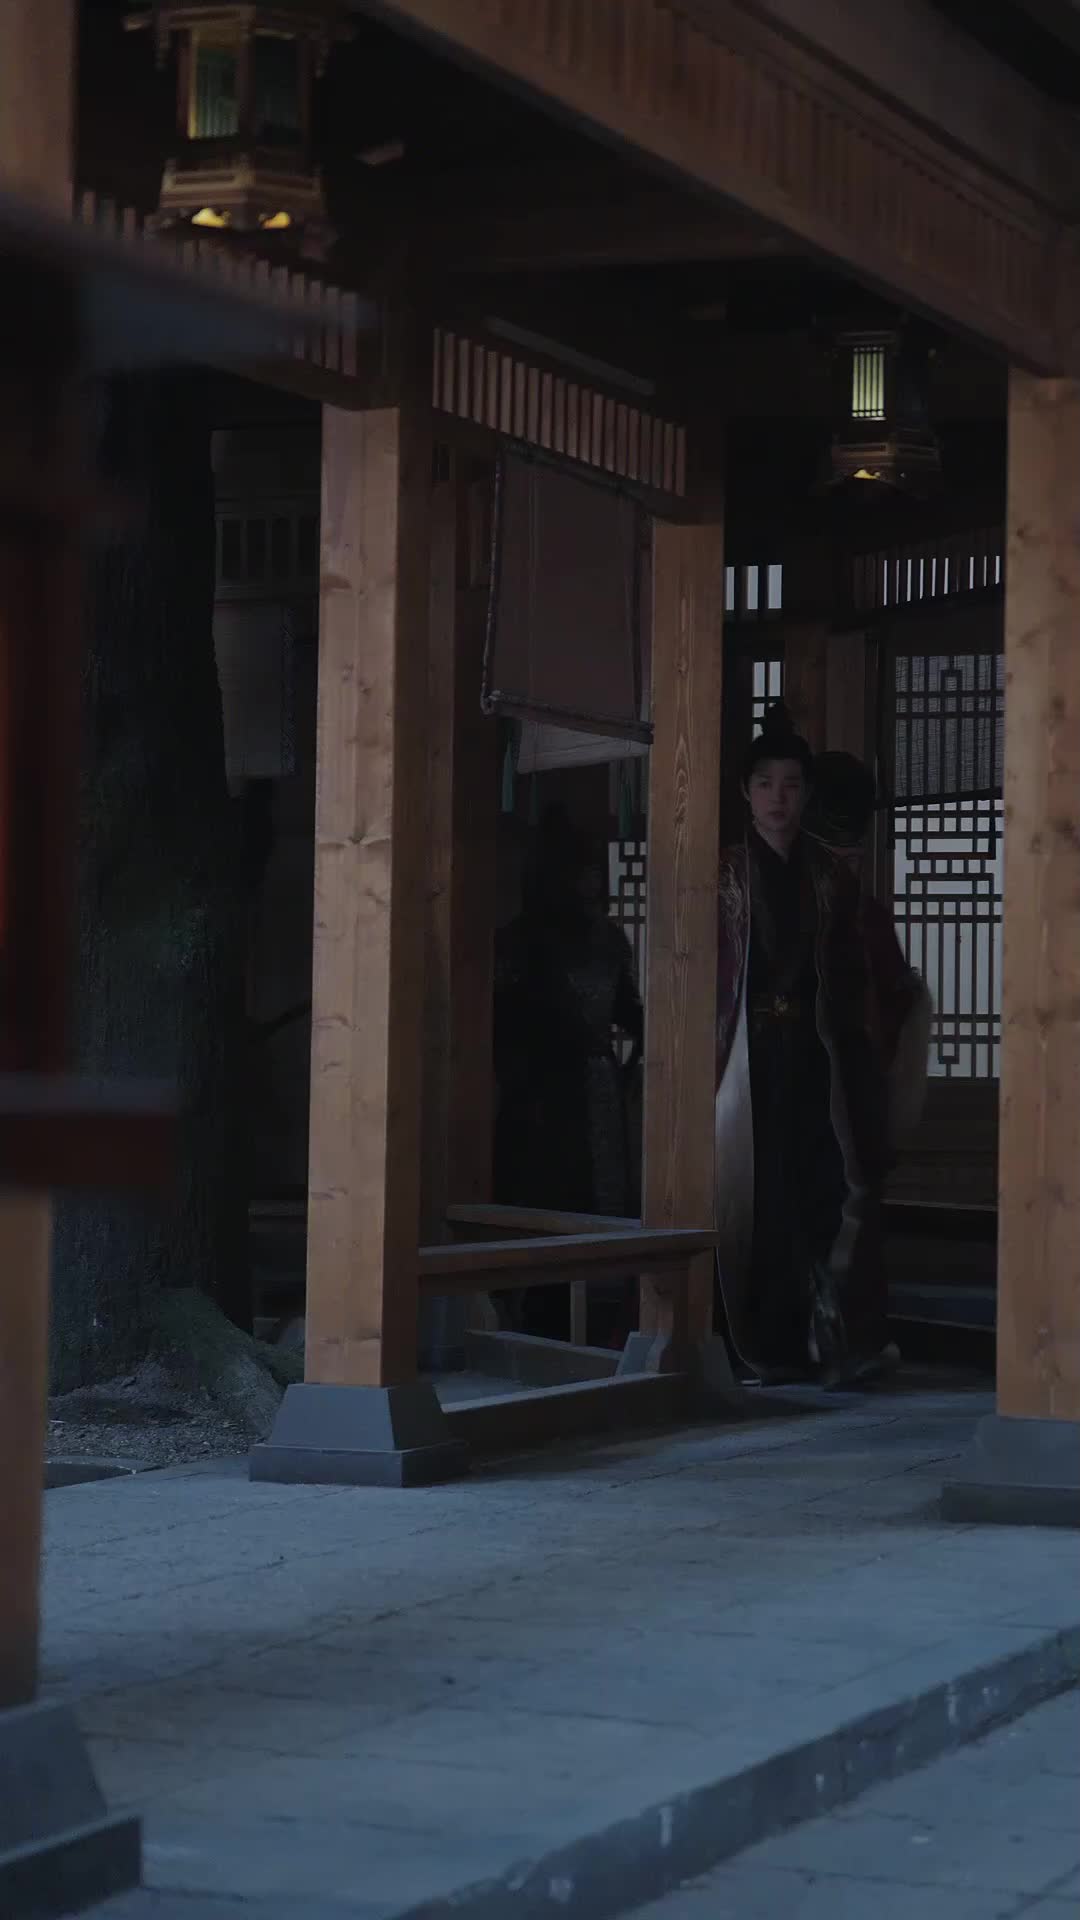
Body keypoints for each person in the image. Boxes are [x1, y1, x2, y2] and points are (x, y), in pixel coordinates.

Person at [714, 706, 895, 1387]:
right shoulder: (723, 875)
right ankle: (754, 1341)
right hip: (745, 1055)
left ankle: (815, 1338)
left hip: (812, 1054)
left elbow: (849, 977)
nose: (778, 798)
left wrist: (860, 1052)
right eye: (765, 784)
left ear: (807, 793)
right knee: (757, 1193)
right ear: (746, 792)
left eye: (791, 785)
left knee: (818, 1188)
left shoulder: (828, 877)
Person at [493, 805, 643, 1337]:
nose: (591, 880)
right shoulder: (518, 942)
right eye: (581, 868)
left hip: (598, 1086)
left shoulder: (610, 940)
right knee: (543, 1198)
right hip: (540, 1093)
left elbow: (632, 1012)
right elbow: (499, 1026)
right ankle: (540, 1319)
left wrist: (634, 1068)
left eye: (594, 869)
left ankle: (599, 1321)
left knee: (601, 1202)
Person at [804, 751, 932, 1156]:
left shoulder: (868, 918)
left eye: (851, 860)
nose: (845, 869)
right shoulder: (786, 903)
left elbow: (894, 1003)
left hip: (854, 1070)